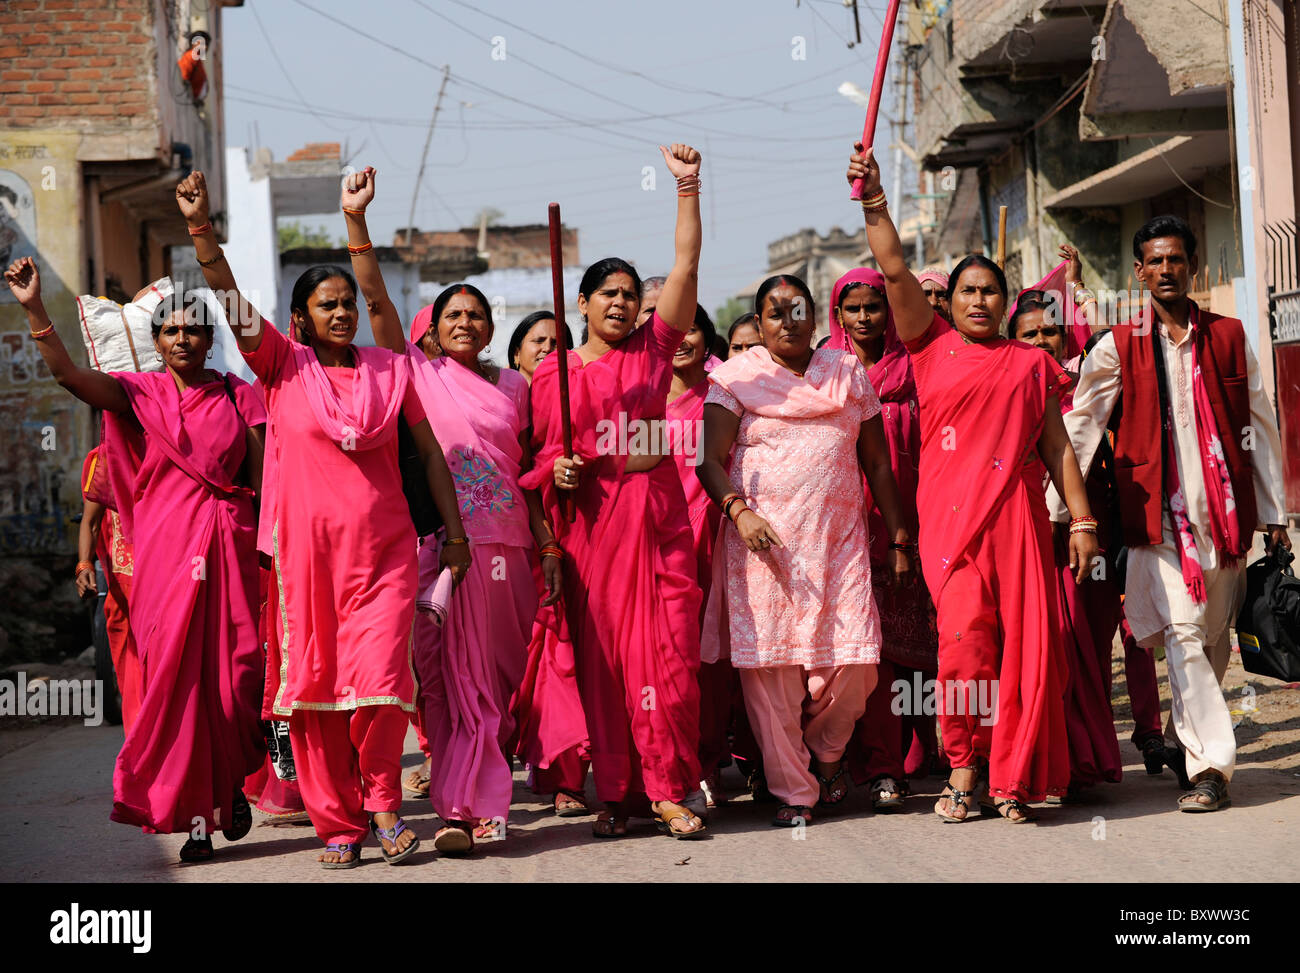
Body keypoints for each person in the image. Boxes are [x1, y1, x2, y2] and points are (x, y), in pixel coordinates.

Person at [175, 170, 470, 868]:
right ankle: (337, 821)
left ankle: (386, 805)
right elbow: (232, 303)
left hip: (385, 557)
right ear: (302, 318)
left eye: (348, 304)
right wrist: (200, 230)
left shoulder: (390, 368)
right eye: (326, 304)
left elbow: (429, 455)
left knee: (381, 684)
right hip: (306, 562)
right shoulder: (281, 365)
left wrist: (355, 220)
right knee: (313, 695)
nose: (343, 312)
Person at [849, 142, 1099, 823]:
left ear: (1006, 296)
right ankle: (963, 763)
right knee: (963, 646)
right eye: (967, 291)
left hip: (1017, 520)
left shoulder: (1029, 364)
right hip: (950, 525)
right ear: (950, 302)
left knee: (1022, 652)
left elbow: (1057, 449)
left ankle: (1009, 776)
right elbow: (895, 268)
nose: (980, 300)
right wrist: (874, 198)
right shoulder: (927, 348)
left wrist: (1081, 520)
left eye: (991, 290)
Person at [7, 257, 265, 862]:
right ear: (157, 342)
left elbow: (263, 476)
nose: (181, 339)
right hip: (165, 556)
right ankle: (198, 821)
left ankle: (229, 785)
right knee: (178, 688)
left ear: (209, 337)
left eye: (193, 330)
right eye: (170, 331)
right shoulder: (139, 393)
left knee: (235, 684)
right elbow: (71, 377)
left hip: (230, 545)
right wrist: (34, 310)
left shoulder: (237, 395)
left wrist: (270, 547)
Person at [349, 171, 565, 854]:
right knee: (448, 683)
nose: (465, 322)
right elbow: (379, 302)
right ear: (435, 333)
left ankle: (479, 785)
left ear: (490, 328)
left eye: (477, 314)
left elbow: (529, 475)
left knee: (497, 683)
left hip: (514, 552)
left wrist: (548, 543)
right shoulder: (417, 373)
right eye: (452, 316)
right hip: (450, 551)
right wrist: (357, 222)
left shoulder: (518, 387)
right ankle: (465, 808)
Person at [1047, 214, 1289, 813]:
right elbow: (1081, 424)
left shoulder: (1230, 335)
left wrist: (1276, 509)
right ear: (1139, 272)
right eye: (1153, 261)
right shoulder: (1120, 341)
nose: (1165, 270)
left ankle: (1193, 749)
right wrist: (1062, 510)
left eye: (1175, 259)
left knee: (1210, 642)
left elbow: (1259, 420)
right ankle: (1211, 769)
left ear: (1192, 266)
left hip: (1225, 524)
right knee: (1182, 635)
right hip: (1157, 520)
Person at [519, 143, 708, 840]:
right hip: (593, 530)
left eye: (632, 295)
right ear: (584, 302)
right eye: (611, 294)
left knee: (670, 666)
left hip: (657, 523)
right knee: (604, 669)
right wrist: (558, 473)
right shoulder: (553, 375)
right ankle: (620, 794)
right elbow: (540, 460)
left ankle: (670, 787)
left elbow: (685, 265)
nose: (624, 304)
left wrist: (687, 188)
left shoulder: (655, 349)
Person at [698, 273, 913, 826]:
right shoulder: (735, 377)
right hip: (761, 548)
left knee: (858, 663)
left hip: (839, 545)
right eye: (775, 313)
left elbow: (878, 465)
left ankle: (826, 752)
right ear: (759, 322)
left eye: (798, 310)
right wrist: (740, 513)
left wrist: (899, 536)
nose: (788, 321)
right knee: (772, 674)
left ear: (816, 318)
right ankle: (795, 792)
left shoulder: (846, 373)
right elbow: (709, 461)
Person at [826, 269, 941, 810]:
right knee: (866, 649)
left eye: (875, 306)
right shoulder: (828, 368)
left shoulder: (917, 363)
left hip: (914, 512)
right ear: (839, 314)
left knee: (921, 641)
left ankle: (926, 746)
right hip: (849, 521)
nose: (865, 317)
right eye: (854, 309)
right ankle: (875, 761)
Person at [1010, 288, 1124, 797]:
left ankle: (1083, 762)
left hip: (1075, 542)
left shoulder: (1084, 389)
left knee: (1081, 646)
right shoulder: (1006, 388)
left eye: (1049, 330)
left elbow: (1117, 344)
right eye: (1028, 332)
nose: (1040, 340)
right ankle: (1035, 762)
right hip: (1019, 538)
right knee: (1036, 650)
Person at [665, 304, 730, 806]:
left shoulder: (726, 396)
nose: (682, 338)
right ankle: (669, 758)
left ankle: (706, 760)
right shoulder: (636, 398)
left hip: (715, 539)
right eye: (673, 328)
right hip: (657, 542)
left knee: (709, 658)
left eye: (694, 329)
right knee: (667, 656)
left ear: (707, 339)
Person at [77, 447, 142, 731]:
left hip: (170, 578)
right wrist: (84, 564)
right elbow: (90, 522)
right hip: (123, 583)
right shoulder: (103, 458)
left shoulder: (169, 446)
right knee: (133, 671)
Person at [508, 310, 573, 384]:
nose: (547, 348)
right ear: (517, 354)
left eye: (556, 343)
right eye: (539, 341)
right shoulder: (500, 392)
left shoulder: (575, 393)